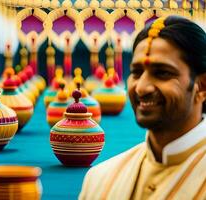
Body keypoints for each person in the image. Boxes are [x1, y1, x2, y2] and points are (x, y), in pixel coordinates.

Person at [79, 15, 206, 200]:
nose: (141, 87)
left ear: (202, 86)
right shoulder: (101, 180)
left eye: (162, 73)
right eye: (136, 72)